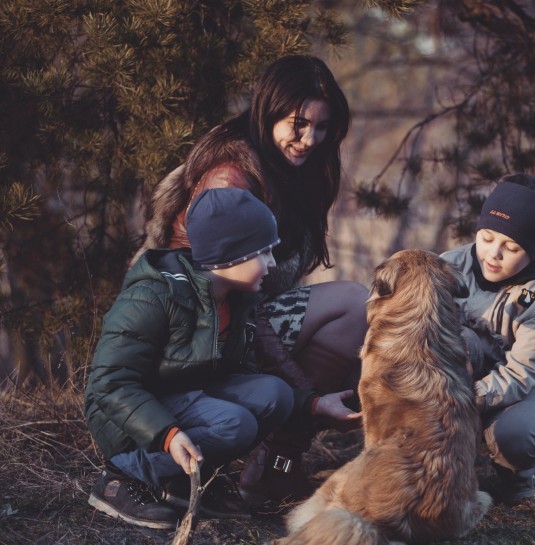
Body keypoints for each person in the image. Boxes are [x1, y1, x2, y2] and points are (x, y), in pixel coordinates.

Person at [134, 55, 369, 504]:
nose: (309, 140)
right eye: (297, 124)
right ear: (267, 111)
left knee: (356, 309)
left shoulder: (296, 170)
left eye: (321, 128)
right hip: (198, 334)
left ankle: (278, 467)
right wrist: (305, 393)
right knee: (352, 304)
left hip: (245, 317)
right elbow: (222, 302)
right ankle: (266, 462)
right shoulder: (231, 177)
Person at [85, 188, 360, 530]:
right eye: (263, 253)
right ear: (228, 257)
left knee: (275, 394)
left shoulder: (235, 300)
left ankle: (184, 482)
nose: (272, 263)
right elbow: (110, 383)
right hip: (128, 422)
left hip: (184, 400)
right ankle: (120, 478)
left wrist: (314, 405)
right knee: (235, 423)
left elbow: (246, 374)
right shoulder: (153, 295)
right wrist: (167, 434)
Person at [440, 173, 535, 506]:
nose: (493, 253)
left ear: (534, 249)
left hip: (523, 391)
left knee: (518, 435)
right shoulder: (448, 266)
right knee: (462, 340)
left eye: (511, 247)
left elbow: (522, 374)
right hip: (455, 376)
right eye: (486, 237)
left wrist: (461, 400)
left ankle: (517, 477)